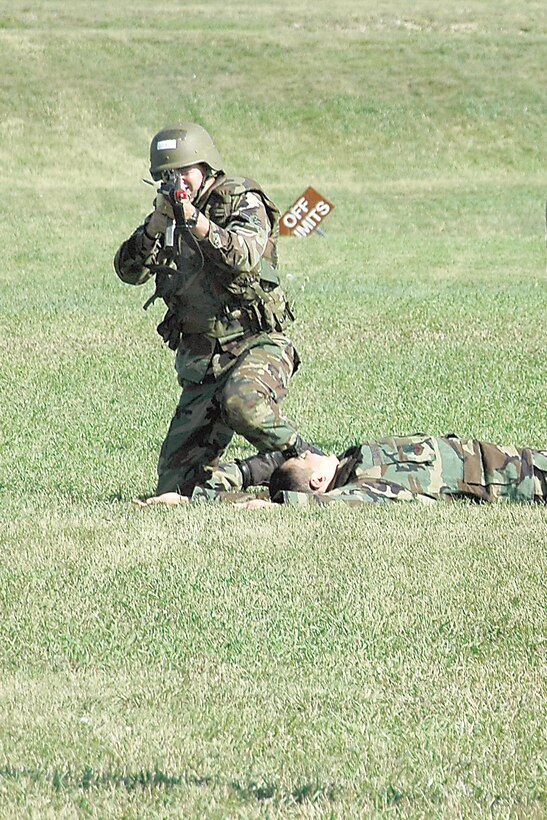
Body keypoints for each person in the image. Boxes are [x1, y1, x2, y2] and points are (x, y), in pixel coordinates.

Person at [114, 122, 307, 498]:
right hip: (205, 362)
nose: (178, 182)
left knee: (242, 403)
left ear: (206, 166)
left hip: (256, 342)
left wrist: (197, 223)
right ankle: (262, 474)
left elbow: (246, 255)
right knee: (176, 488)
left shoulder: (239, 198)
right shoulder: (166, 217)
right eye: (167, 176)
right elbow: (128, 271)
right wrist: (156, 226)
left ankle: (306, 458)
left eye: (185, 171)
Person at [134, 434, 547, 507]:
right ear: (317, 480)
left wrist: (195, 497)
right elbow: (330, 504)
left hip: (512, 455)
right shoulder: (365, 486)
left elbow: (274, 468)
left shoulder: (354, 464)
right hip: (523, 475)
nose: (307, 450)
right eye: (305, 456)